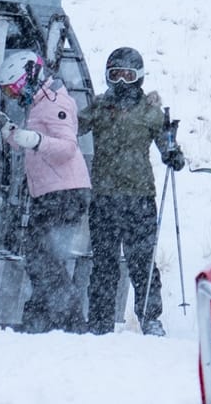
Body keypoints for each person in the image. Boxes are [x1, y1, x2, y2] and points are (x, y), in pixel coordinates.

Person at [78, 46, 184, 337]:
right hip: (104, 198)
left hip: (138, 198)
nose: (121, 82)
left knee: (141, 261)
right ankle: (100, 320)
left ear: (138, 76)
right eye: (116, 75)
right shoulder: (99, 107)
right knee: (104, 262)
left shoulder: (150, 111)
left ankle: (150, 318)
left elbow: (167, 146)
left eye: (127, 75)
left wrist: (174, 153)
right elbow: (73, 127)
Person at [0, 48, 90, 334]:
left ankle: (70, 320)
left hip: (65, 191)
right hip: (49, 191)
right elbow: (34, 142)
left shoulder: (55, 102)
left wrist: (35, 139)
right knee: (40, 254)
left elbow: (66, 148)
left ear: (31, 76)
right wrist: (12, 134)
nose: (15, 97)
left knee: (45, 256)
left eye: (15, 90)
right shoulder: (39, 103)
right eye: (9, 93)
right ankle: (42, 316)